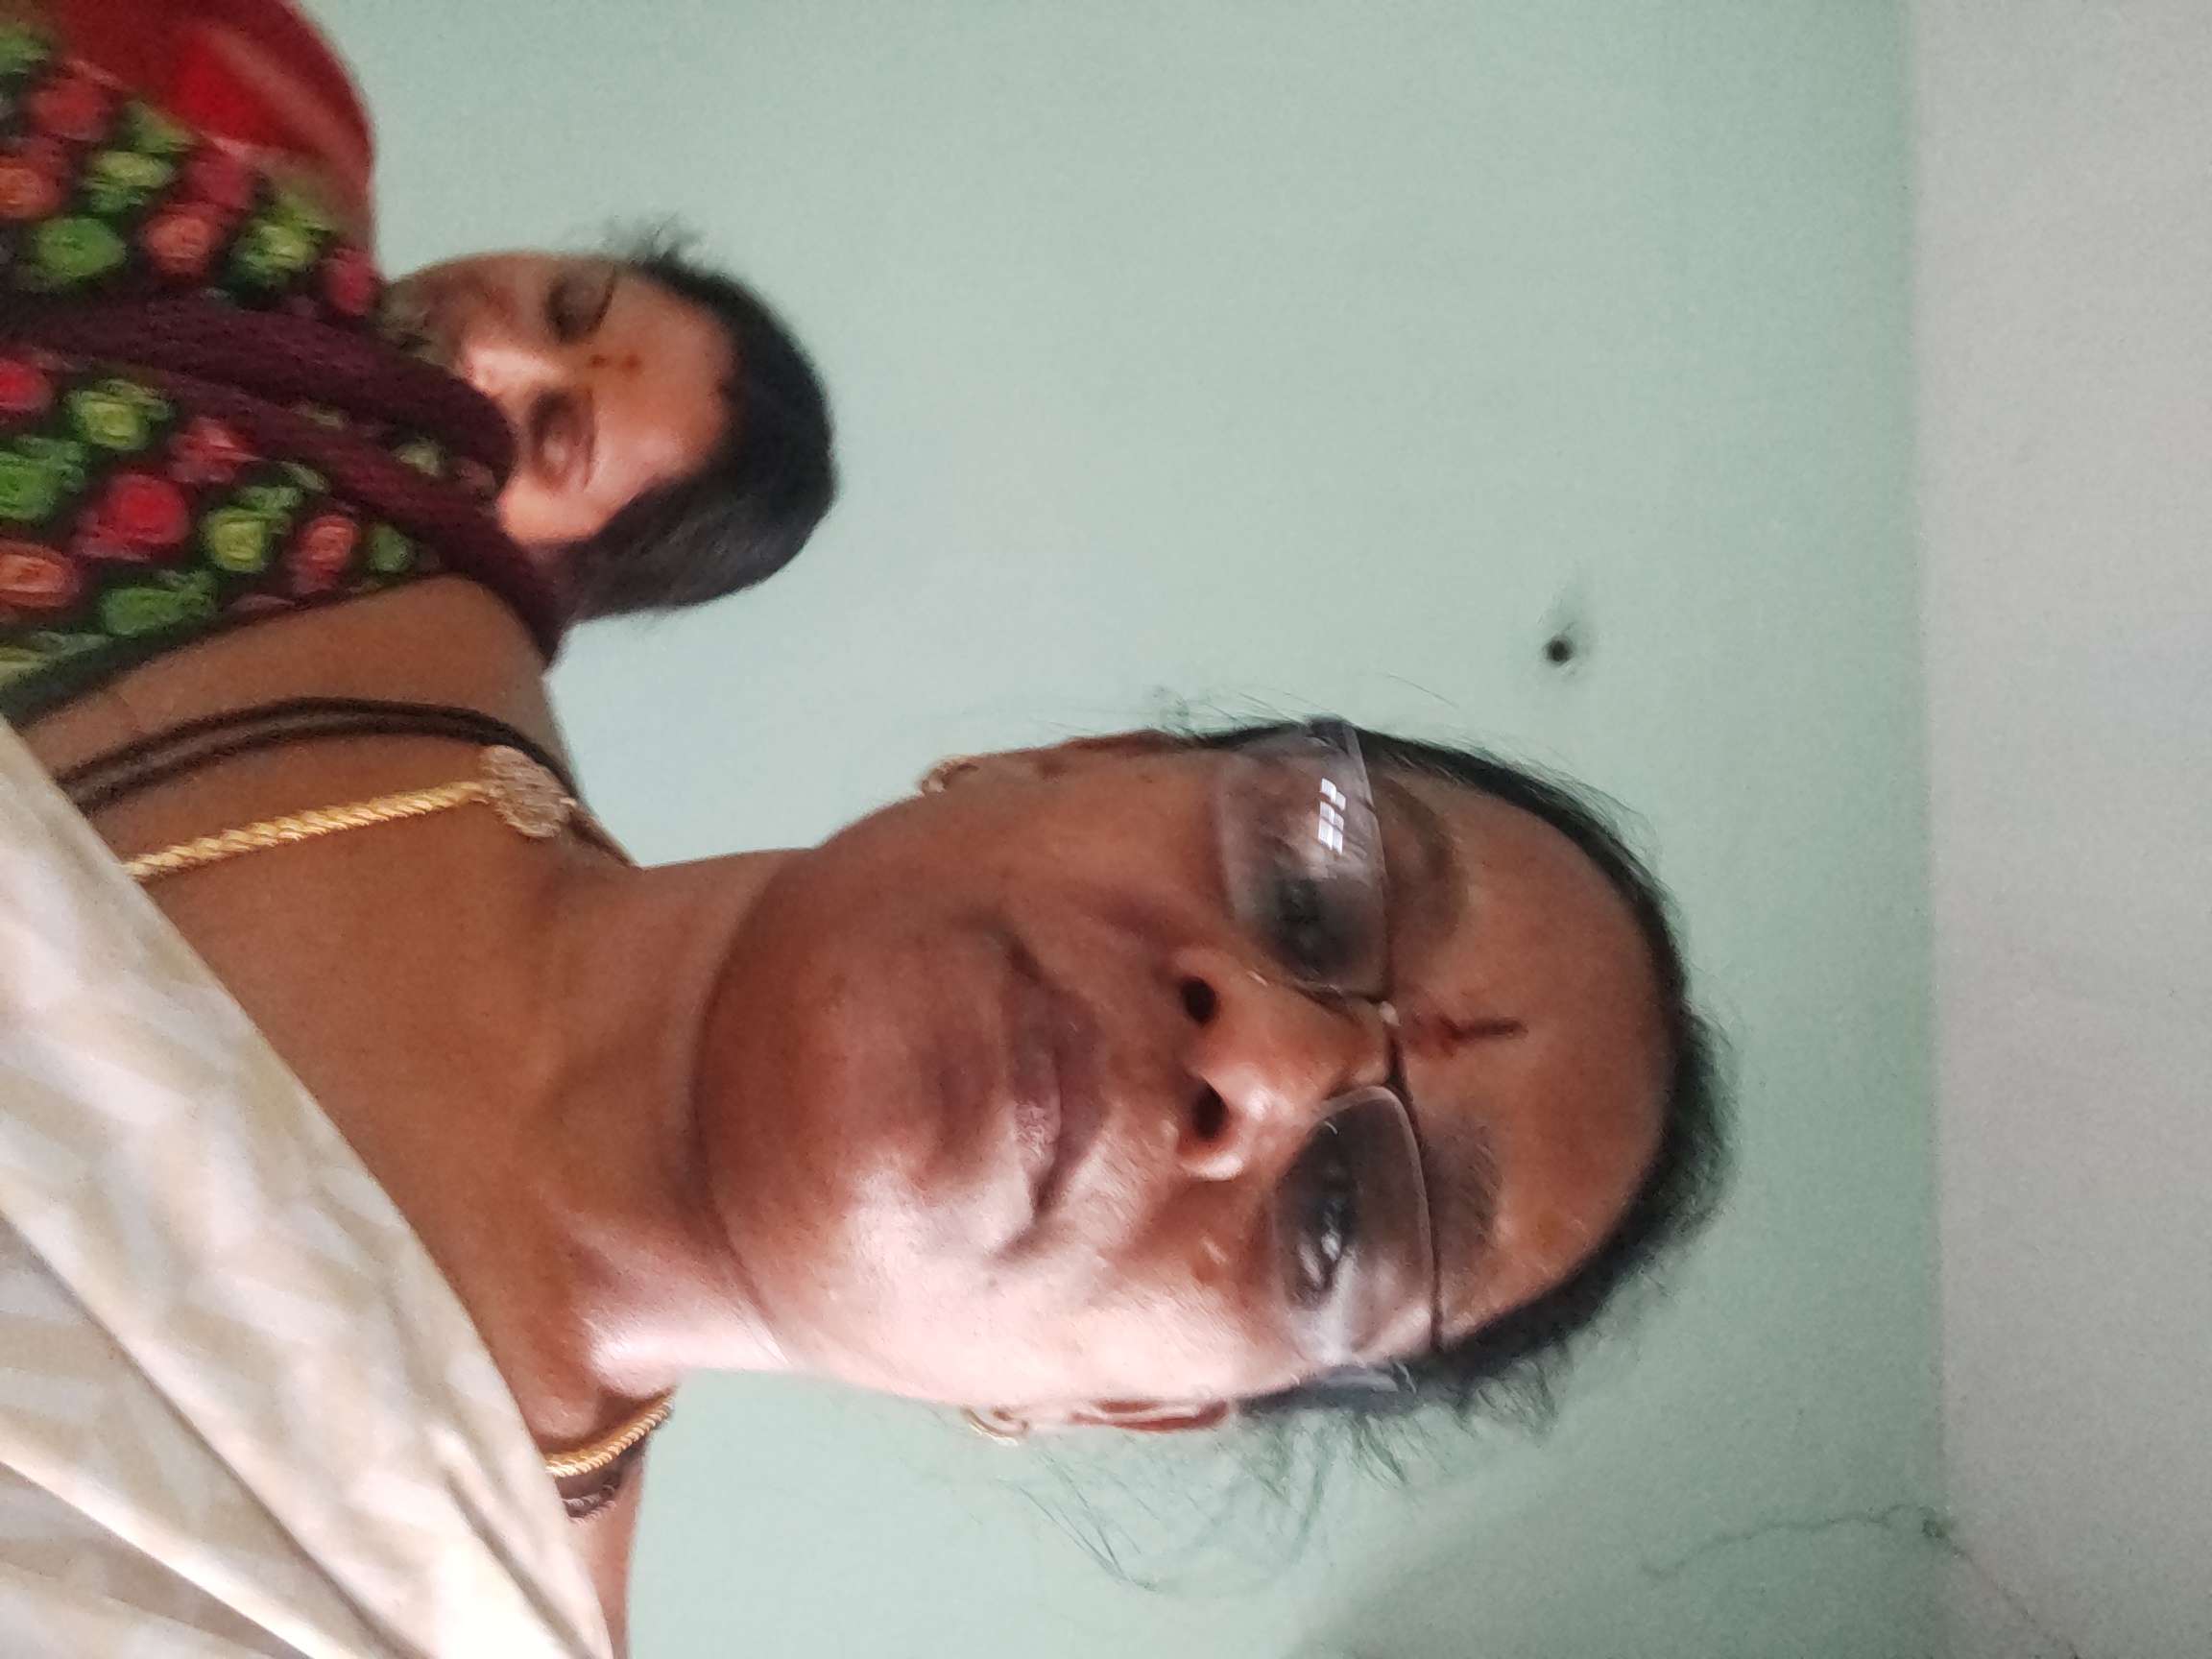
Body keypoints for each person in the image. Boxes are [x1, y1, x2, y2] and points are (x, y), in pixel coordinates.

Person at [0, 0, 834, 658]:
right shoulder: (290, 112)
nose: (490, 347)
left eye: (549, 432)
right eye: (565, 305)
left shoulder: (265, 656)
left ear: (546, 569)